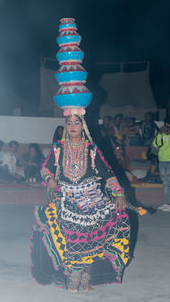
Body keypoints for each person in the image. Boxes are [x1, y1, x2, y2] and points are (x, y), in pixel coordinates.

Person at [31, 114, 132, 291]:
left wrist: (119, 194)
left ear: (82, 126)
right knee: (72, 239)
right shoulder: (58, 148)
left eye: (76, 123)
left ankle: (86, 277)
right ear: (65, 126)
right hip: (66, 197)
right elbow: (46, 168)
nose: (72, 126)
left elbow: (107, 173)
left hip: (92, 198)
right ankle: (73, 275)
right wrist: (49, 179)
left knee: (93, 239)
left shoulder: (91, 149)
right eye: (69, 123)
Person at [153, 117, 170, 211]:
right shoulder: (162, 133)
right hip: (162, 160)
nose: (168, 127)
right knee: (165, 182)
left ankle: (168, 203)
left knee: (168, 182)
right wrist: (160, 133)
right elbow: (155, 144)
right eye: (167, 125)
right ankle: (167, 202)